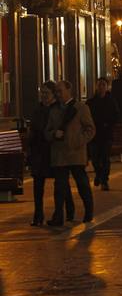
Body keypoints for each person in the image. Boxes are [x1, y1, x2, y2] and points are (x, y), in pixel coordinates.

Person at [45, 80, 95, 226]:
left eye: (60, 91)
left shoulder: (81, 108)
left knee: (82, 184)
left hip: (75, 153)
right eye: (57, 92)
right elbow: (47, 131)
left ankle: (88, 211)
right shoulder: (54, 110)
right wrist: (54, 134)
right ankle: (59, 215)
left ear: (69, 90)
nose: (58, 94)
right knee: (60, 187)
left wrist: (76, 141)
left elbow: (90, 129)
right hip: (59, 154)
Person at [27, 81, 74, 226]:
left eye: (46, 93)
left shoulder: (59, 109)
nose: (43, 96)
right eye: (42, 93)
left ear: (54, 94)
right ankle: (38, 215)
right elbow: (33, 130)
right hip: (39, 152)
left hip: (54, 150)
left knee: (61, 184)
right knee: (38, 185)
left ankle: (65, 211)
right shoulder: (37, 110)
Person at [87, 77, 119, 190]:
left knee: (105, 158)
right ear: (96, 86)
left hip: (106, 134)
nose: (101, 87)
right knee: (95, 158)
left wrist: (108, 123)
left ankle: (104, 180)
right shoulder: (90, 102)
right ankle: (99, 174)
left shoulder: (111, 102)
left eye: (103, 85)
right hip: (94, 135)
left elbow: (115, 116)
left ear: (107, 87)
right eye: (99, 85)